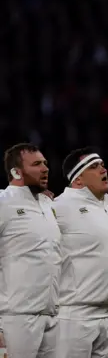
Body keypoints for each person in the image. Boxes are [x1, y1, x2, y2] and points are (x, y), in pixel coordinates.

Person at [54, 148, 108, 358]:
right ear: (78, 179)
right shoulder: (59, 206)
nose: (103, 169)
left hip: (107, 315)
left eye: (102, 164)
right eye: (94, 166)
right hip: (74, 316)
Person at [0, 143, 61, 358]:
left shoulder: (47, 204)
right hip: (16, 317)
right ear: (16, 171)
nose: (45, 168)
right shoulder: (3, 203)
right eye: (36, 164)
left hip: (52, 314)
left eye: (45, 163)